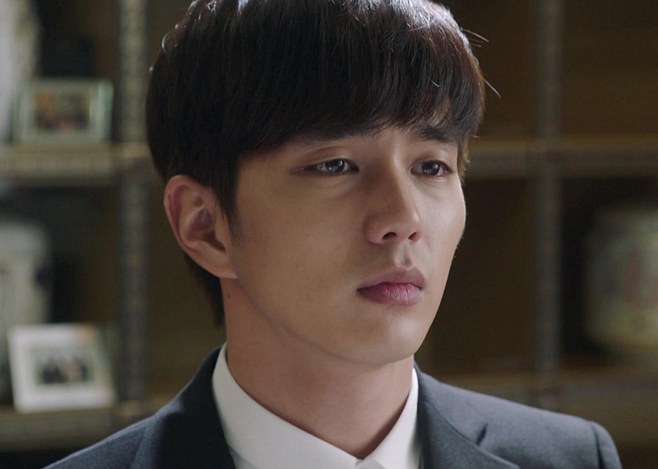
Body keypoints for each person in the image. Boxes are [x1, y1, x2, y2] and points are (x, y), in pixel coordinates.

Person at [49, 0, 621, 467]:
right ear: (206, 226)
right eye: (335, 165)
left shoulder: (571, 460)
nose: (404, 217)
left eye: (431, 166)